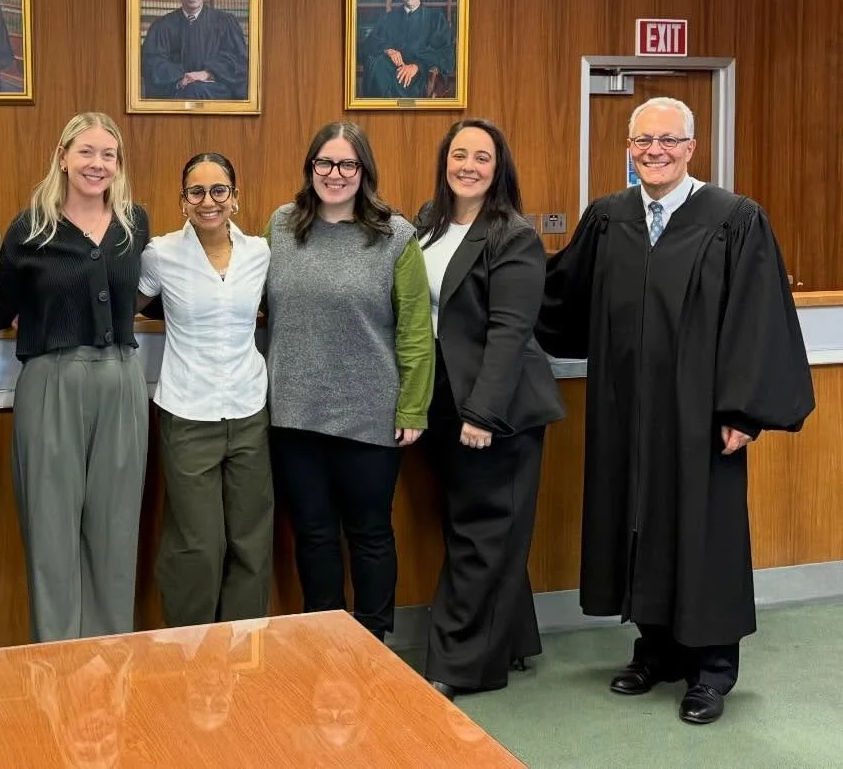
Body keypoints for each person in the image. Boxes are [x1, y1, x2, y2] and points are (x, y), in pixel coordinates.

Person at [537, 96, 814, 725]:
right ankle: (655, 650)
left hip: (701, 418)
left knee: (703, 530)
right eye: (643, 141)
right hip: (625, 410)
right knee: (639, 523)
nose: (654, 151)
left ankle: (711, 671)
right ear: (628, 148)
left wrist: (742, 411)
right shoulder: (608, 217)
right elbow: (562, 295)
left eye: (667, 141)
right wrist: (497, 271)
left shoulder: (735, 219)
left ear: (691, 148)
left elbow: (756, 318)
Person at [264, 121, 434, 640]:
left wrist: (413, 407)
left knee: (370, 535)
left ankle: (373, 644)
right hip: (295, 413)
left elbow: (415, 330)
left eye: (347, 164)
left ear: (364, 171)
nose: (334, 174)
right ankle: (324, 642)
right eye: (325, 163)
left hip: (369, 414)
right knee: (313, 535)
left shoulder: (394, 236)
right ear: (310, 168)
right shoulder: (282, 226)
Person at [414, 119, 564, 699]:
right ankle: (512, 638)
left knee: (481, 533)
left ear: (498, 168)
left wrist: (482, 413)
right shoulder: (428, 223)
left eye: (482, 157)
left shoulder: (513, 235)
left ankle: (460, 666)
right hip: (444, 399)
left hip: (496, 409)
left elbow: (510, 331)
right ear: (444, 161)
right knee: (482, 527)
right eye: (460, 154)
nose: (469, 166)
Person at [0, 111, 150, 642]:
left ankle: (109, 662)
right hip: (51, 381)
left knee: (115, 529)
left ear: (118, 164)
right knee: (51, 530)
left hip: (123, 381)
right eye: (86, 151)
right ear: (63, 156)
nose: (97, 164)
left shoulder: (134, 223)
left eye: (108, 154)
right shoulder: (29, 229)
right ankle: (56, 661)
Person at [136, 152, 272, 627]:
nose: (208, 201)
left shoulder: (260, 253)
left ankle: (243, 649)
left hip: (249, 409)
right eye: (197, 191)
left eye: (219, 191)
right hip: (187, 413)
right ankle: (192, 650)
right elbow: (126, 304)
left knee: (251, 540)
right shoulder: (161, 254)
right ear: (183, 200)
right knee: (197, 544)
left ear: (235, 197)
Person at [140, 0, 249, 100]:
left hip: (214, 92)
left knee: (196, 90)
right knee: (190, 92)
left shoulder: (225, 22)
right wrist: (182, 77)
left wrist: (207, 74)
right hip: (178, 90)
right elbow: (153, 63)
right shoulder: (162, 26)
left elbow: (237, 60)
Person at [356, 0, 456, 98]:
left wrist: (417, 66)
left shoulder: (435, 18)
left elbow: (446, 54)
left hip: (419, 77)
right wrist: (387, 50)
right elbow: (366, 46)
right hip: (388, 74)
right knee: (376, 65)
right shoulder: (388, 18)